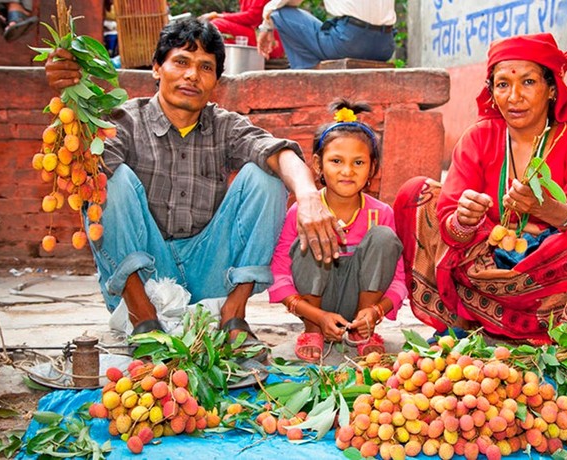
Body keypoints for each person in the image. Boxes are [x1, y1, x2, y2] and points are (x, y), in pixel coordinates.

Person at [44, 18, 343, 359]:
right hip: (143, 278)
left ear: (216, 80)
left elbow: (281, 153)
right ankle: (144, 321)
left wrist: (307, 197)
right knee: (109, 178)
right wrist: (70, 99)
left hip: (210, 271)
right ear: (157, 68)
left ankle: (233, 316)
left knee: (267, 175)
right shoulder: (125, 121)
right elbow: (85, 174)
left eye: (205, 67)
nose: (192, 75)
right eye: (181, 62)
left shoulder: (224, 125)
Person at [393, 33, 567, 345]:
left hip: (545, 275)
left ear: (551, 89)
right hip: (482, 269)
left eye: (528, 82)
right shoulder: (479, 138)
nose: (514, 96)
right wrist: (464, 218)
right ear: (492, 91)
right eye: (502, 84)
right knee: (417, 194)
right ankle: (459, 320)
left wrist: (545, 209)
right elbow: (448, 216)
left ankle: (553, 336)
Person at [268, 99, 407, 362]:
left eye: (358, 163)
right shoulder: (303, 212)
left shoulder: (381, 214)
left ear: (372, 169)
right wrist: (316, 317)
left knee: (383, 237)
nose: (347, 171)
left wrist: (376, 312)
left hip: (362, 305)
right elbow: (278, 273)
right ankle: (312, 331)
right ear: (318, 166)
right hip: (315, 308)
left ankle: (362, 332)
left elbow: (399, 279)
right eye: (336, 161)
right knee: (314, 234)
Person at [256, 0, 396, 69]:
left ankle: (306, 75)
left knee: (280, 14)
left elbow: (284, 3)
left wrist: (266, 25)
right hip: (385, 46)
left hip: (350, 41)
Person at [199, 0, 285, 59]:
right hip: (256, 35)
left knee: (216, 24)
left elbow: (252, 17)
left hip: (267, 42)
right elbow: (245, 19)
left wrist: (218, 15)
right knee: (219, 36)